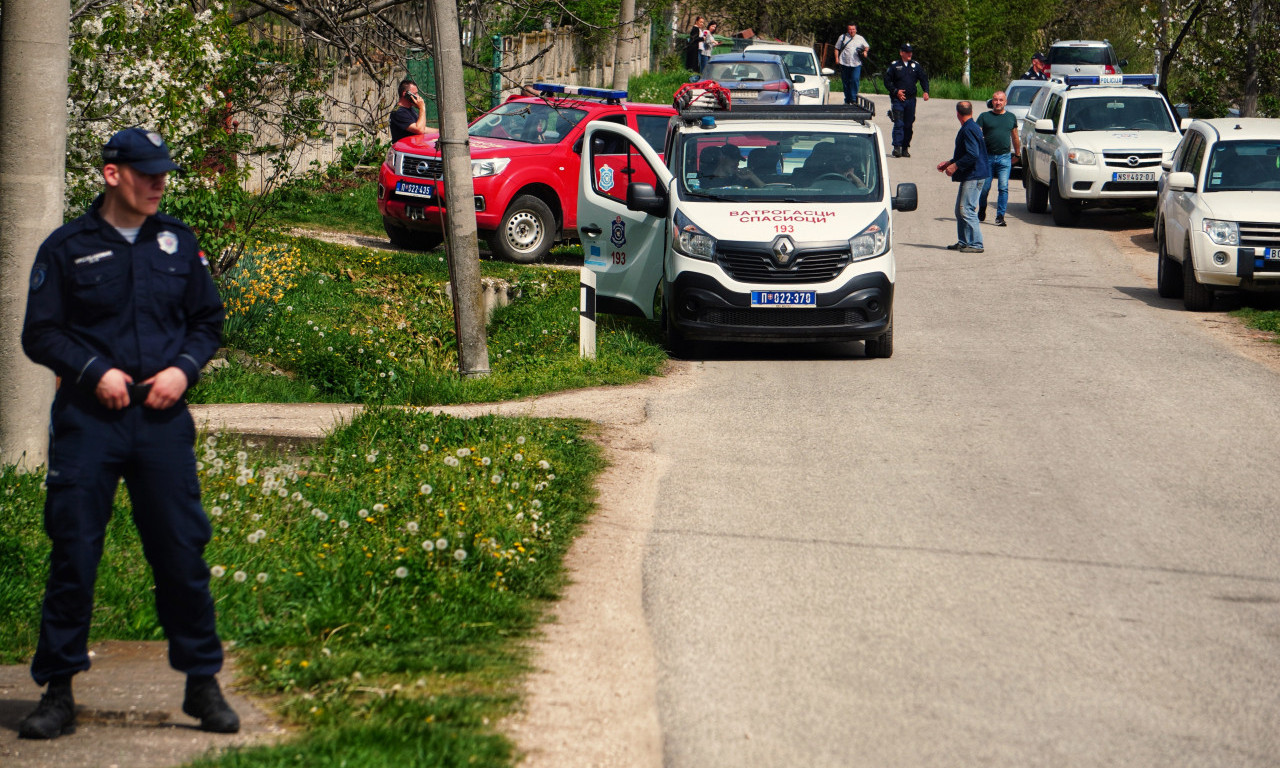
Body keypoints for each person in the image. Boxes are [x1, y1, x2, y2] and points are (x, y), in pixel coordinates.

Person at [18, 127, 237, 740]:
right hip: (91, 423)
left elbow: (206, 322)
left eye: (163, 173)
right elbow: (41, 333)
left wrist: (183, 369)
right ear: (113, 174)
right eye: (146, 174)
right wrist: (93, 372)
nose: (158, 184)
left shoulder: (178, 244)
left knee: (180, 551)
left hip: (161, 422)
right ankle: (57, 692)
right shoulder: (66, 248)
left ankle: (202, 684)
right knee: (75, 553)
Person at [936, 101, 991, 253]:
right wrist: (949, 162)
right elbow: (966, 152)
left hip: (974, 175)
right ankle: (964, 241)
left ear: (957, 114)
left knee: (966, 209)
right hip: (972, 174)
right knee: (959, 210)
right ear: (971, 111)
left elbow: (973, 154)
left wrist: (955, 166)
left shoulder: (968, 129)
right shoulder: (972, 127)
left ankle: (976, 244)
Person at [976, 90, 1021, 227]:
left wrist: (1017, 154)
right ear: (992, 101)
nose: (998, 102)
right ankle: (982, 208)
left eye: (1001, 100)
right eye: (995, 100)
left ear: (1005, 102)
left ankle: (1000, 216)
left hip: (1004, 158)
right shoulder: (984, 116)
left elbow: (1014, 137)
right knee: (984, 188)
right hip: (987, 158)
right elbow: (977, 134)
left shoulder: (1011, 117)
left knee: (1003, 187)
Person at [884, 43, 930, 158]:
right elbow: (887, 81)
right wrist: (896, 91)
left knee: (908, 125)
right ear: (901, 53)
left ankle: (905, 147)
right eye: (907, 52)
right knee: (899, 123)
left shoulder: (915, 66)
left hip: (910, 100)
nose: (909, 54)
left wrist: (926, 91)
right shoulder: (895, 66)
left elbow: (923, 78)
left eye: (910, 52)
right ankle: (897, 147)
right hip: (898, 100)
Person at [835, 23, 870, 104]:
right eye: (850, 29)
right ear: (848, 30)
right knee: (846, 82)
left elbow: (866, 46)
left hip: (856, 63)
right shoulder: (843, 37)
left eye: (853, 29)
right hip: (844, 63)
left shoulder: (860, 38)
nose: (852, 31)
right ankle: (847, 99)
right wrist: (837, 59)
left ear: (856, 30)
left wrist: (865, 51)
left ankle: (853, 99)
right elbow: (836, 48)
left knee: (855, 80)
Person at [389, 78, 428, 144]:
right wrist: (422, 108)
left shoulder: (410, 109)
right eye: (415, 94)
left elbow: (422, 128)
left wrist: (440, 132)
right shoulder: (398, 112)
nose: (417, 96)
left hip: (413, 148)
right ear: (405, 94)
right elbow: (419, 130)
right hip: (404, 151)